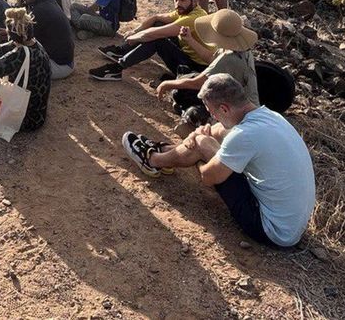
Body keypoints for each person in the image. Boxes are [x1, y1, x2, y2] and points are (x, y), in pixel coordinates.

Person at [121, 74, 316, 249]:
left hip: (271, 231)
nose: (212, 117)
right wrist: (200, 138)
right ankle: (168, 151)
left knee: (203, 145)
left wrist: (200, 149)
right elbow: (225, 131)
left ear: (224, 108)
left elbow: (208, 177)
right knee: (214, 135)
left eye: (212, 113)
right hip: (290, 226)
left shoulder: (244, 135)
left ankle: (153, 160)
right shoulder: (268, 116)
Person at [157, 9, 260, 133]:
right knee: (185, 79)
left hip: (238, 115)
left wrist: (167, 84)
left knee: (183, 94)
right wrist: (190, 39)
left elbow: (197, 83)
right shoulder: (240, 49)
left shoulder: (229, 58)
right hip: (235, 100)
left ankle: (195, 123)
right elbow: (211, 58)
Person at [88, 0, 212, 81]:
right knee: (158, 24)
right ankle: (121, 51)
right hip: (187, 56)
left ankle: (116, 69)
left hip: (196, 68)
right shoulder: (187, 10)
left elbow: (156, 33)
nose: (178, 4)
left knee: (157, 40)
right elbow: (156, 18)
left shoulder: (193, 18)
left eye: (183, 0)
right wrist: (136, 31)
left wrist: (135, 37)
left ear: (195, 1)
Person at [16, 0, 75, 79]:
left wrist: (9, 33)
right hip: (66, 63)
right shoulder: (47, 1)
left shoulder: (41, 10)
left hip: (58, 66)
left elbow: (22, 39)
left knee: (13, 64)